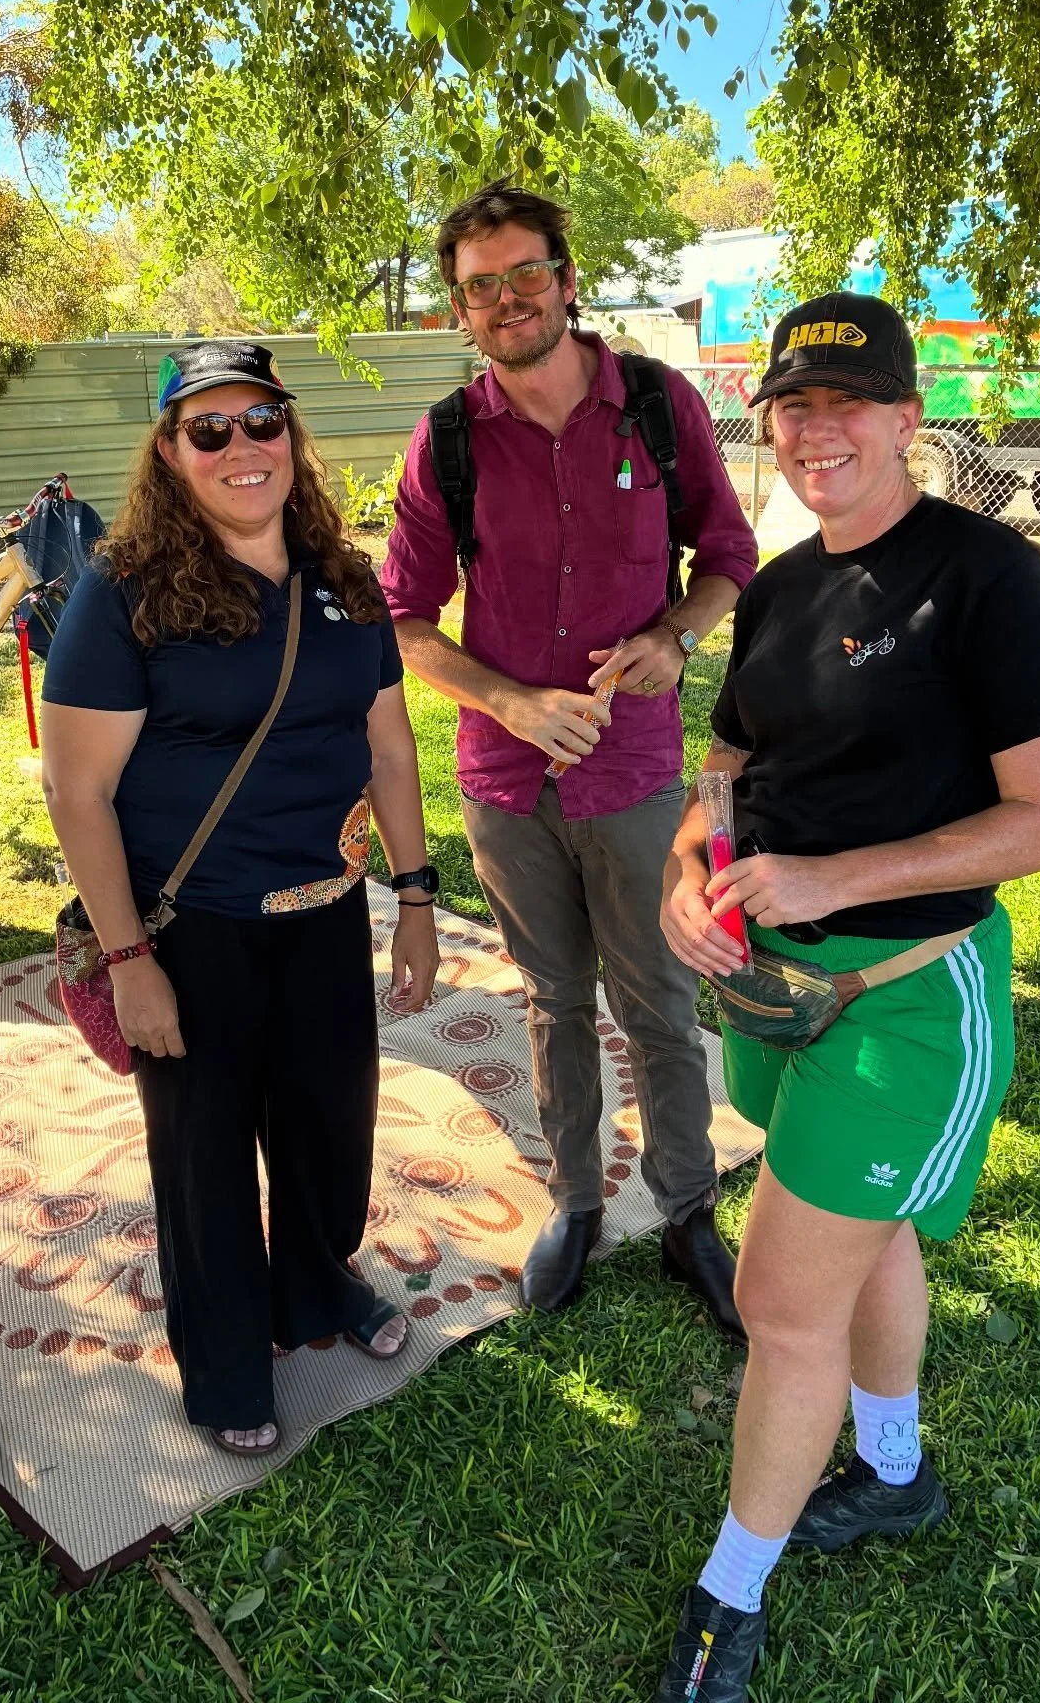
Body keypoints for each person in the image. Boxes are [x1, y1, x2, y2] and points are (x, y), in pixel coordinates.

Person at [653, 293, 1040, 1699]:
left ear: (910, 417)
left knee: (785, 1305)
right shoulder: (778, 592)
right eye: (793, 406)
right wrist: (687, 872)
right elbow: (723, 771)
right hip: (778, 992)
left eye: (850, 404)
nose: (817, 431)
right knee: (866, 1230)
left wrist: (832, 881)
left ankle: (731, 1597)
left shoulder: (986, 576)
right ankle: (895, 1474)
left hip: (908, 999)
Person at [41, 340, 440, 1459]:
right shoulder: (124, 594)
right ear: (170, 453)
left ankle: (317, 1286)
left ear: (289, 433)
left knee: (329, 1125)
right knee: (205, 1153)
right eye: (207, 430)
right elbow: (79, 790)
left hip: (325, 909)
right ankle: (222, 1365)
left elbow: (391, 750)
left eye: (259, 422)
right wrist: (130, 961)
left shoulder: (346, 580)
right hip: (192, 927)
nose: (240, 448)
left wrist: (414, 895)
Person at [380, 182, 759, 1336]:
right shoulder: (444, 441)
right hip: (506, 785)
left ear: (566, 278)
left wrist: (672, 636)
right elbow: (400, 621)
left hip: (637, 771)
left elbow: (730, 553)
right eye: (480, 286)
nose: (505, 300)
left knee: (659, 996)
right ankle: (575, 1202)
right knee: (552, 998)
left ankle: (689, 1210)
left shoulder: (657, 405)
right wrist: (509, 701)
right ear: (462, 309)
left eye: (524, 274)